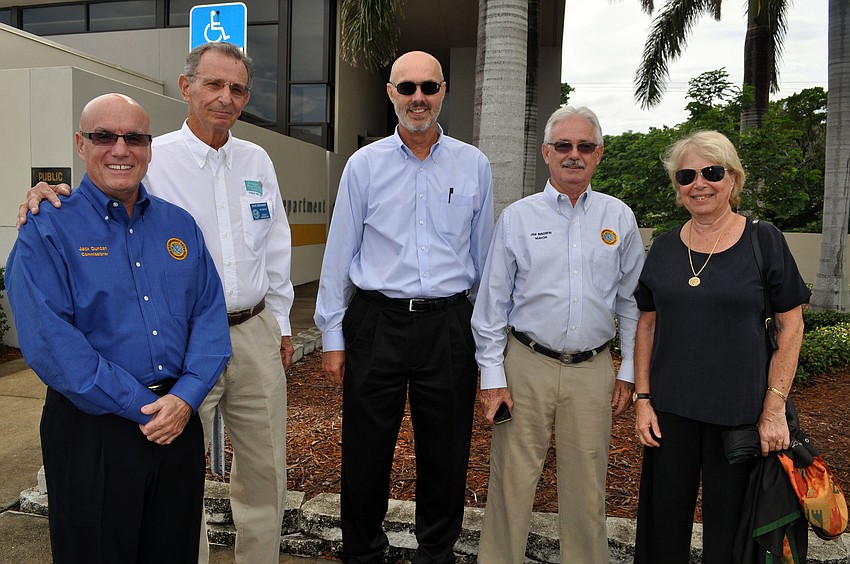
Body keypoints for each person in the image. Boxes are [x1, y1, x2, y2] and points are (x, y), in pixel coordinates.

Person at [19, 43, 293, 564]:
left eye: (236, 89)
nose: (225, 98)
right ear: (186, 88)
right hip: (161, 366)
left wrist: (279, 322)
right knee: (148, 512)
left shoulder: (257, 160)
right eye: (213, 84)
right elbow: (53, 332)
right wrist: (42, 193)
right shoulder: (152, 157)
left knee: (259, 471)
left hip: (246, 333)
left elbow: (275, 243)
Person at [6, 93, 232, 563]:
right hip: (94, 431)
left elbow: (210, 318)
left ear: (150, 147)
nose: (120, 149)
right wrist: (145, 406)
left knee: (172, 552)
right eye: (104, 136)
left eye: (135, 137)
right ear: (81, 145)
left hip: (176, 424)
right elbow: (52, 345)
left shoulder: (179, 225)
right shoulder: (47, 228)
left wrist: (185, 398)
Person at [314, 50, 495, 563]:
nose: (419, 98)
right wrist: (332, 336)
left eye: (429, 87)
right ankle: (363, 553)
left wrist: (484, 345)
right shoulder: (363, 165)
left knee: (447, 453)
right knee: (366, 452)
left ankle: (435, 554)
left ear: (443, 92)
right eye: (407, 87)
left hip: (449, 325)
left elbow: (483, 261)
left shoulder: (473, 164)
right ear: (390, 93)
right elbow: (339, 251)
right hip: (376, 323)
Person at [471, 105, 644, 563]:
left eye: (585, 146)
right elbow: (491, 306)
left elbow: (632, 302)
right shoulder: (518, 218)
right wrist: (492, 377)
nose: (574, 155)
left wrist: (628, 370)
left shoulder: (618, 218)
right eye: (563, 146)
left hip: (593, 371)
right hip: (525, 365)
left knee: (588, 485)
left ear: (599, 155)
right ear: (546, 152)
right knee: (510, 481)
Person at [632, 130, 810, 563]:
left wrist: (773, 409)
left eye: (712, 172)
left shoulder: (763, 240)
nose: (699, 183)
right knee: (663, 526)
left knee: (730, 535)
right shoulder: (665, 247)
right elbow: (647, 326)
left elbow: (791, 327)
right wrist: (642, 398)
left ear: (732, 178)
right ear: (677, 186)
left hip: (740, 415)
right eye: (686, 175)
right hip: (670, 414)